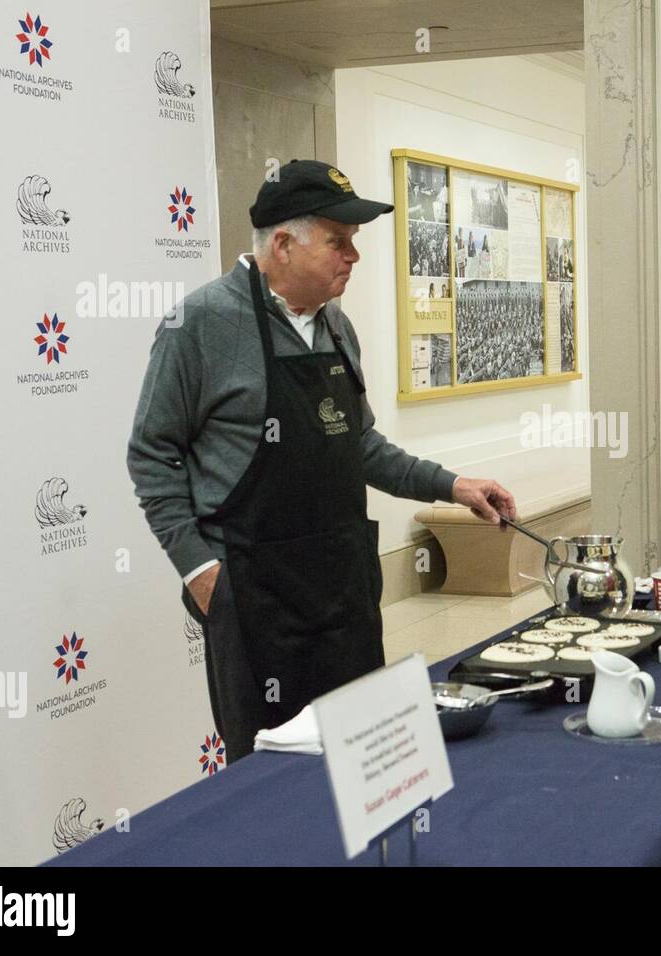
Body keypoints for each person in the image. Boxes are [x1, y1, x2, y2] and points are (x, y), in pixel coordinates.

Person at [127, 159, 515, 763]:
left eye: (353, 241)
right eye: (338, 241)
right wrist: (201, 572)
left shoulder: (337, 326)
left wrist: (453, 485)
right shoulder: (200, 324)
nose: (353, 256)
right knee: (271, 783)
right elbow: (151, 456)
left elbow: (359, 445)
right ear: (282, 243)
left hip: (343, 593)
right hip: (255, 600)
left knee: (366, 760)